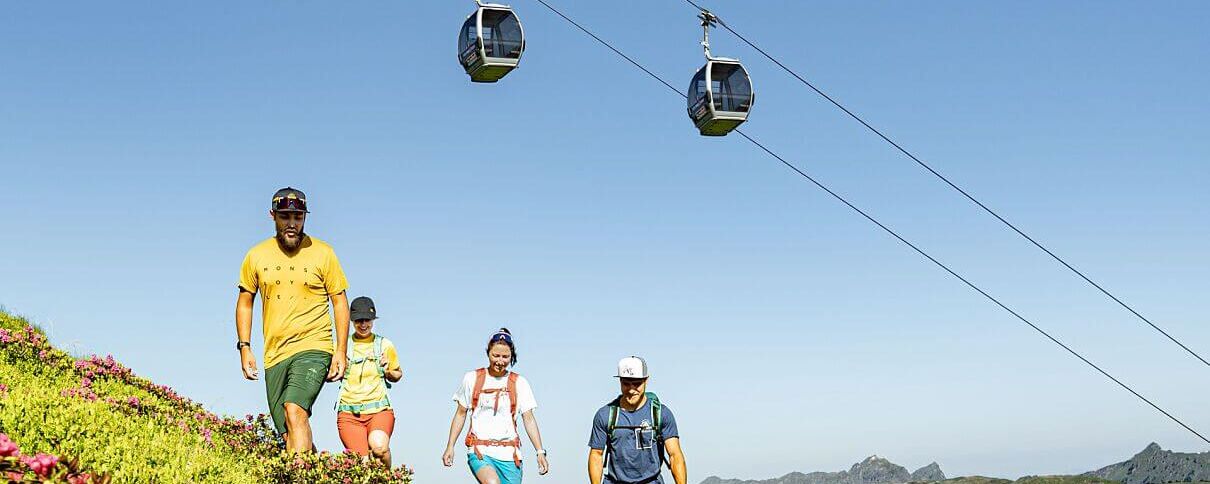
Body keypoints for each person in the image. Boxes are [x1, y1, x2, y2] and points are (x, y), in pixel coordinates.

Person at [234, 186, 350, 452]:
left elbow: (340, 301)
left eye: (298, 218)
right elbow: (245, 302)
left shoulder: (324, 253)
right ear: (272, 216)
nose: (292, 224)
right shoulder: (256, 255)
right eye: (285, 217)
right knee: (289, 432)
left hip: (314, 346)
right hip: (275, 355)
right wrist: (245, 346)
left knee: (294, 409)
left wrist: (341, 351)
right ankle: (314, 471)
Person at [442, 328, 550, 484]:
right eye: (496, 355)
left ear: (512, 356)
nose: (500, 361)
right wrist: (450, 446)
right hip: (480, 450)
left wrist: (540, 451)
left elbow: (529, 419)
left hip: (510, 454)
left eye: (505, 357)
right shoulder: (472, 378)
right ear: (488, 353)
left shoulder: (520, 383)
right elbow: (460, 413)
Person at [588, 356, 687, 484]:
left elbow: (674, 455)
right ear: (620, 381)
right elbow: (596, 454)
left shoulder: (661, 414)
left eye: (637, 384)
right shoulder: (605, 415)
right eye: (626, 383)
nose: (631, 389)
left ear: (646, 380)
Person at [336, 296, 403, 466]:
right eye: (359, 320)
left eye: (367, 319)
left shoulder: (384, 344)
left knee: (379, 448)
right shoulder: (343, 345)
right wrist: (339, 368)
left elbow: (397, 375)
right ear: (352, 321)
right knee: (363, 464)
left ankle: (390, 478)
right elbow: (330, 375)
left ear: (373, 320)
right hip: (349, 413)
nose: (363, 324)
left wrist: (387, 369)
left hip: (379, 409)